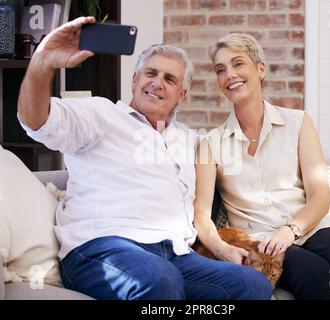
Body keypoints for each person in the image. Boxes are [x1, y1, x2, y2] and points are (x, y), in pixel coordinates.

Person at [17, 17, 272, 300]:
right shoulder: (99, 115)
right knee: (160, 280)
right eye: (151, 73)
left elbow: (242, 167)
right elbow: (36, 120)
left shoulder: (191, 140)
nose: (157, 83)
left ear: (181, 95)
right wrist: (42, 63)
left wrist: (227, 246)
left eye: (169, 79)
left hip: (176, 254)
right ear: (135, 79)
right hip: (104, 247)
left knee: (253, 285)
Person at [194, 32, 330, 300]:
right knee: (314, 275)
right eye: (221, 69)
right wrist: (223, 249)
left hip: (309, 227)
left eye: (238, 63)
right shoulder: (211, 143)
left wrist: (290, 230)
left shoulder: (298, 123)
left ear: (260, 69)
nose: (229, 74)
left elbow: (319, 195)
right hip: (260, 239)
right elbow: (200, 214)